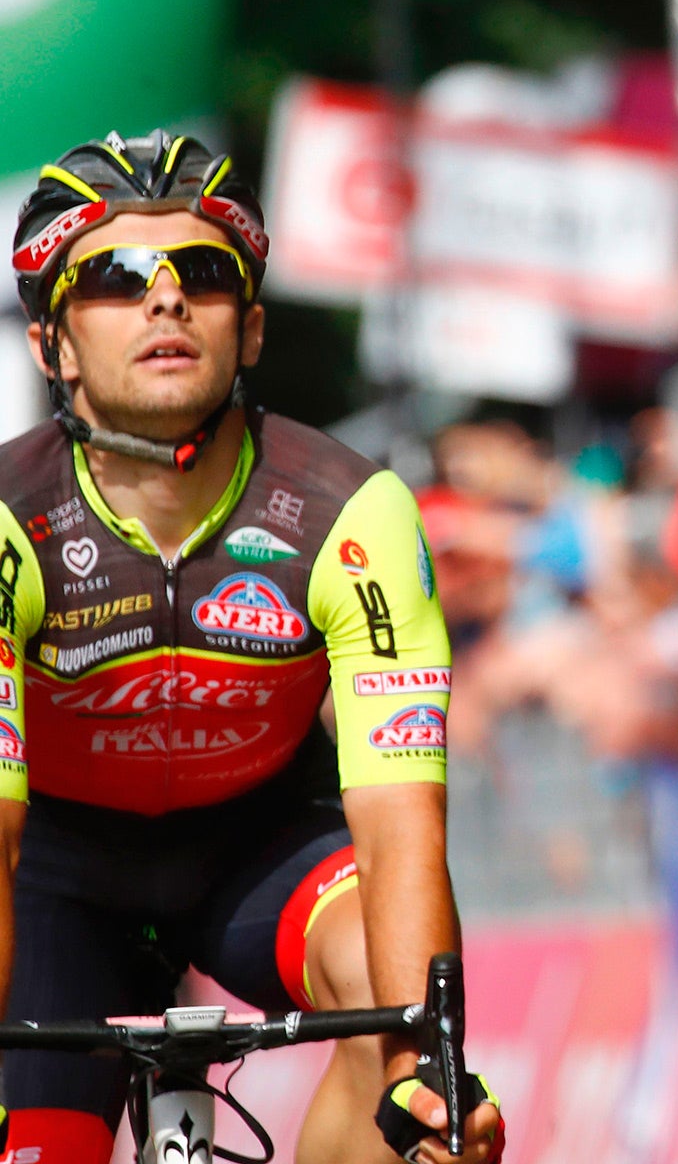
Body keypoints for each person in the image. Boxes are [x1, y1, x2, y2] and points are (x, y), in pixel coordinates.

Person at [0, 133, 502, 1164]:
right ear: (51, 345)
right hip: (53, 873)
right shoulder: (11, 522)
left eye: (205, 273)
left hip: (259, 852)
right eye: (114, 277)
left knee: (394, 1029)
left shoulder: (349, 513)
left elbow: (402, 822)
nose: (166, 299)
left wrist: (424, 1077)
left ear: (253, 327)